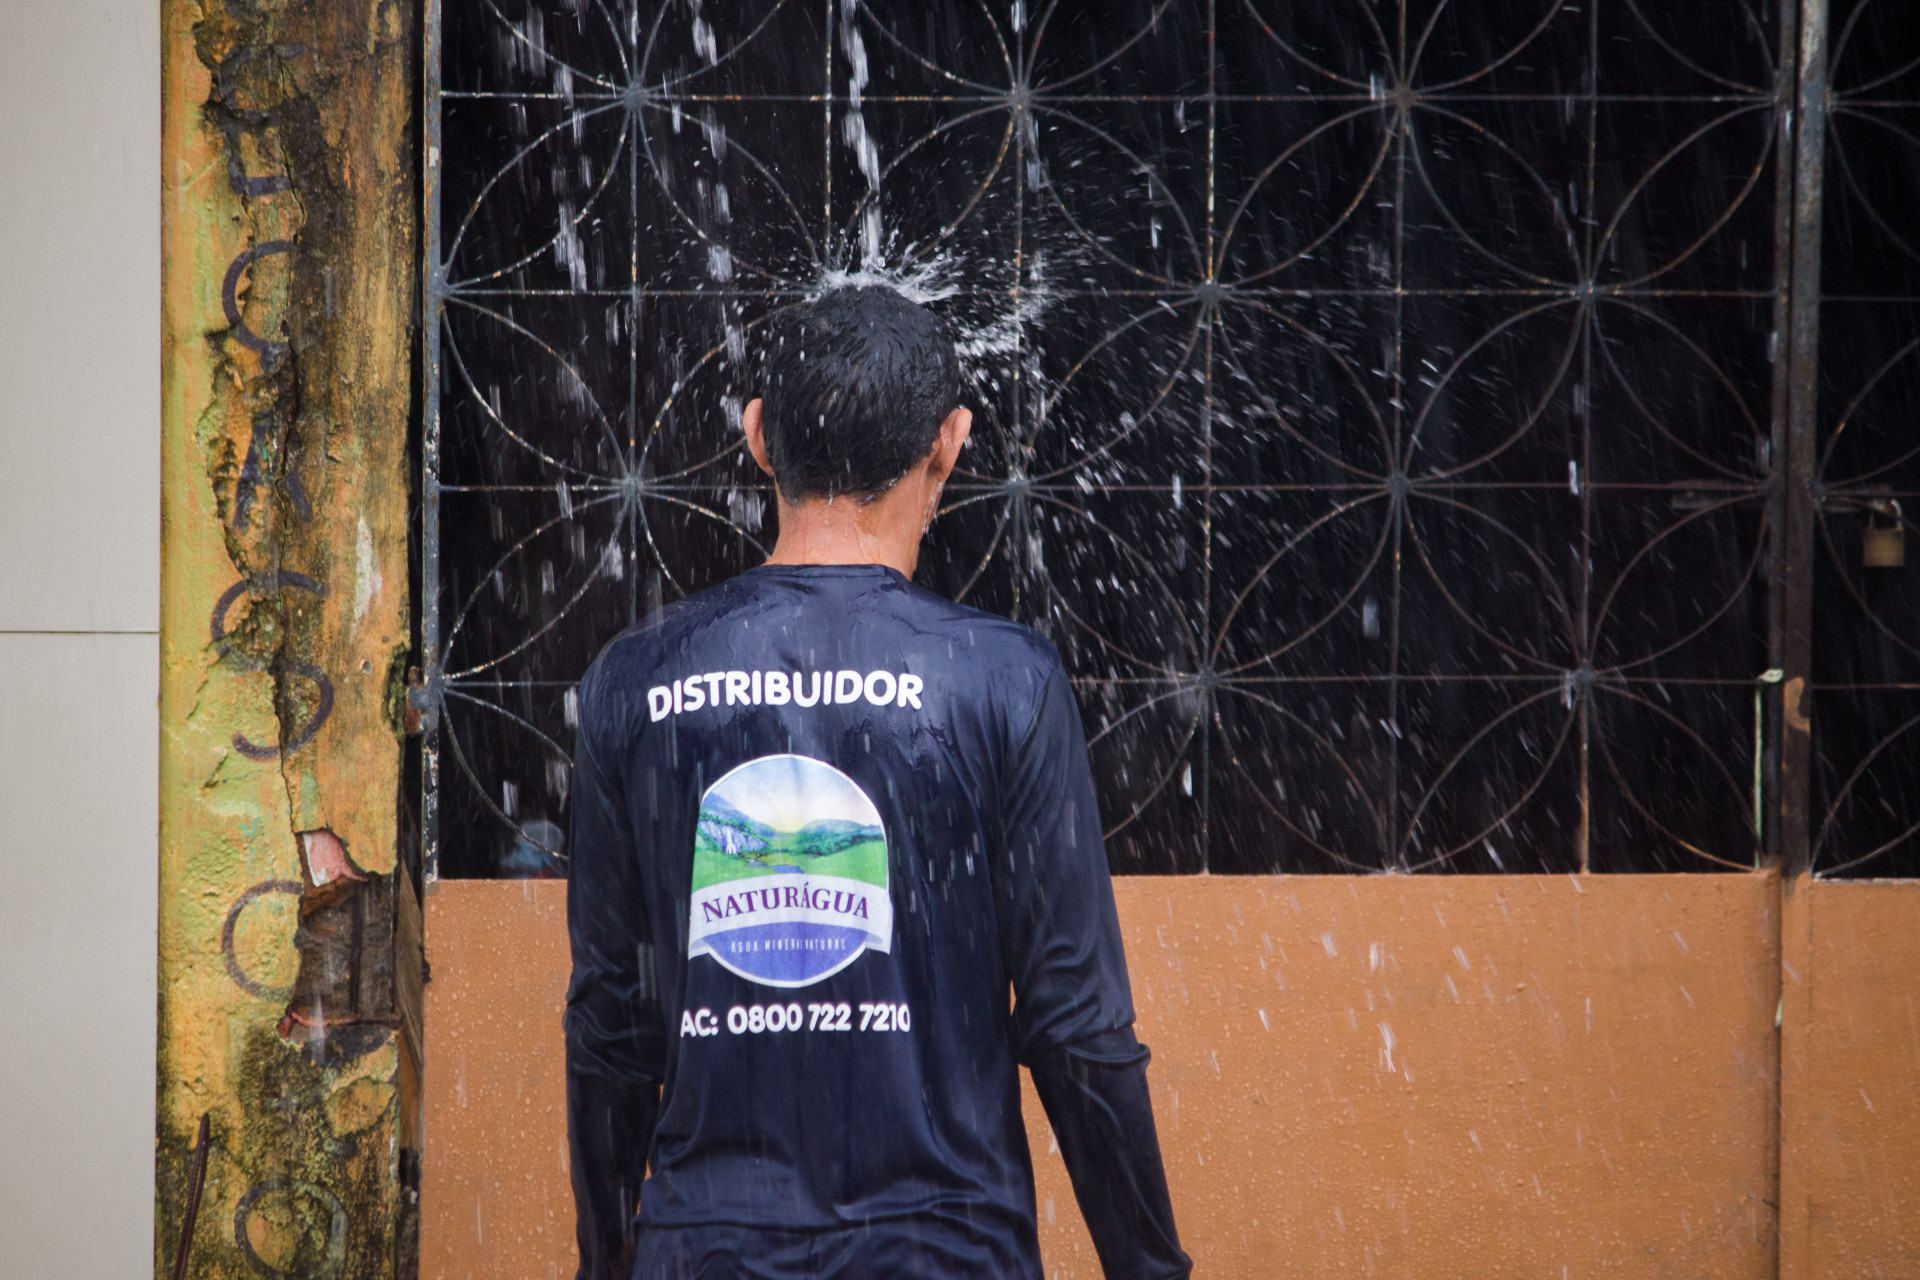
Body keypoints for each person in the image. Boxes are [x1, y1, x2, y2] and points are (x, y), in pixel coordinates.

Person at [564, 284, 1191, 1280]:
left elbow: (609, 1026)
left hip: (702, 1248)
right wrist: (1149, 1266)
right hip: (945, 1248)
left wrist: (609, 1261)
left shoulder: (633, 682)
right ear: (947, 443)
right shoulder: (1002, 678)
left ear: (760, 436)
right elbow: (1077, 1028)